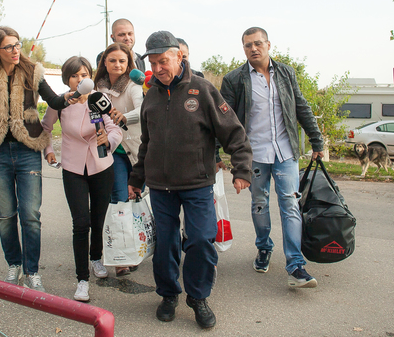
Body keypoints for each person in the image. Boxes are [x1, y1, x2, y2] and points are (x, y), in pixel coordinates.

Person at [128, 31, 252, 329]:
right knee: (166, 244)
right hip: (160, 186)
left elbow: (232, 131)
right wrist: (137, 178)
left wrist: (242, 169)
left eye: (163, 61)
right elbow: (148, 143)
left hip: (197, 183)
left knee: (200, 240)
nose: (158, 68)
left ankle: (198, 297)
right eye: (153, 63)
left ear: (179, 57)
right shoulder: (151, 98)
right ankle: (168, 294)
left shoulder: (203, 90)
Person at [0, 26, 72, 292]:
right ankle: (14, 265)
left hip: (27, 150)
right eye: (8, 47)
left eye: (17, 44)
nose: (15, 50)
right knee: (5, 215)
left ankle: (32, 271)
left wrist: (72, 97)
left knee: (30, 215)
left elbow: (54, 101)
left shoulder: (33, 71)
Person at [219, 27, 324, 288]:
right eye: (247, 45)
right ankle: (264, 247)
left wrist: (316, 139)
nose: (253, 48)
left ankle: (296, 265)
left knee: (290, 203)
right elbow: (224, 118)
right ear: (243, 49)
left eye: (257, 44)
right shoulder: (235, 79)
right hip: (253, 154)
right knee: (259, 202)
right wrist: (216, 152)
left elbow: (301, 106)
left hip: (285, 151)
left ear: (268, 45)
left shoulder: (286, 73)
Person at [41, 56, 122, 302]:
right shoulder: (60, 103)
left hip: (101, 165)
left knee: (98, 219)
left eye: (84, 74)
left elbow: (115, 128)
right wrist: (48, 150)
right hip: (73, 168)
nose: (80, 79)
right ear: (67, 80)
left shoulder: (100, 99)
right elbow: (45, 128)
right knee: (80, 223)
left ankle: (96, 257)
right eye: (75, 75)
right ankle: (82, 279)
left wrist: (109, 141)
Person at [94, 42, 144, 276]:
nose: (117, 64)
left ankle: (138, 248)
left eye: (122, 61)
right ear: (105, 62)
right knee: (119, 200)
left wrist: (124, 117)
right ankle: (120, 257)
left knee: (138, 202)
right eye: (112, 60)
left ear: (129, 64)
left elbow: (142, 109)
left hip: (136, 151)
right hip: (112, 152)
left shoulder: (134, 85)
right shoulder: (96, 89)